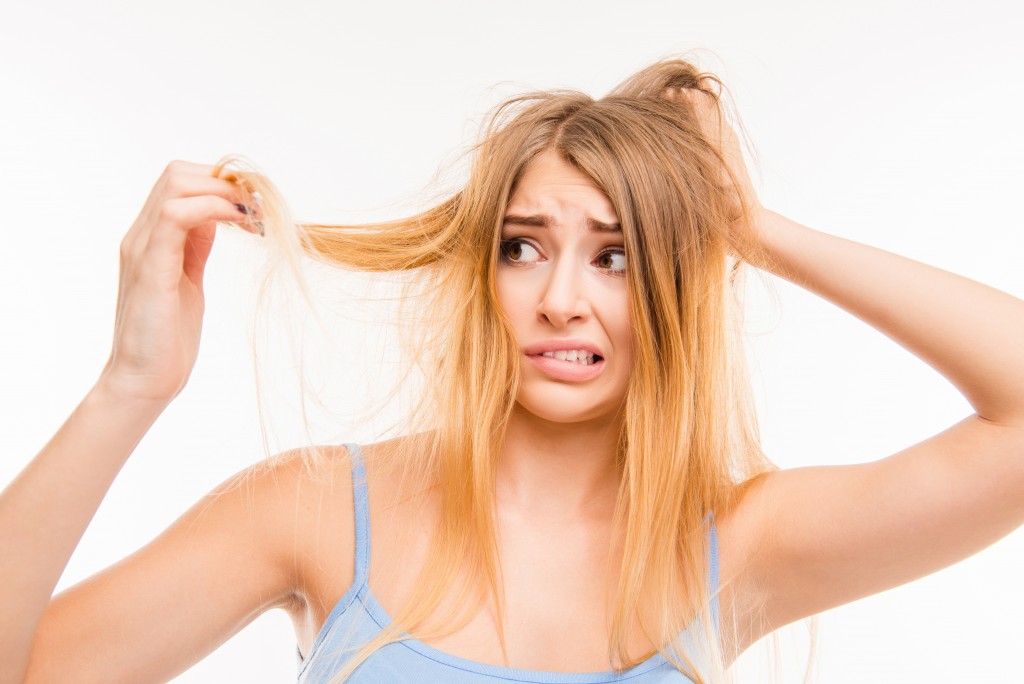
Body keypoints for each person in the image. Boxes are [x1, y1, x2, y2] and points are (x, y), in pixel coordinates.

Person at [2, 56, 1023, 684]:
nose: (561, 298)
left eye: (617, 255)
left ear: (676, 282)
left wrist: (745, 225)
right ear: (477, 271)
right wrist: (128, 387)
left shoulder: (738, 546)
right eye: (522, 246)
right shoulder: (314, 511)